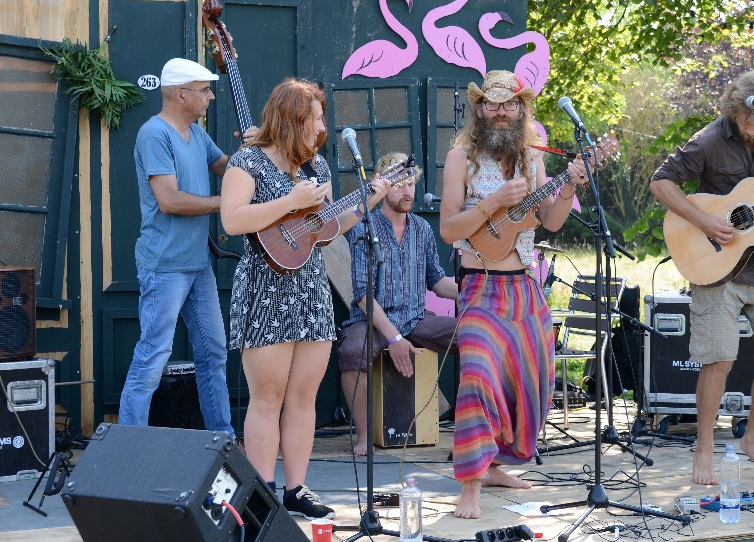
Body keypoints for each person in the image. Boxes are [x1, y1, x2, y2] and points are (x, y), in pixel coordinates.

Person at [220, 78, 390, 519]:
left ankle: (296, 488)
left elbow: (324, 229)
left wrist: (368, 202)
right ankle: (261, 494)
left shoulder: (318, 170)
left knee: (302, 396)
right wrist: (289, 201)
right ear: (293, 118)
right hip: (265, 288)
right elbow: (233, 220)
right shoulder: (247, 162)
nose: (321, 125)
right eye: (315, 116)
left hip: (310, 289)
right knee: (267, 396)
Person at [649, 70, 754, 486]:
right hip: (717, 270)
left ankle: (753, 440)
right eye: (747, 122)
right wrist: (705, 220)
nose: (753, 130)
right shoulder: (708, 140)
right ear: (733, 110)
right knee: (719, 360)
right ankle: (703, 447)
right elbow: (661, 182)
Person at [439, 70, 592, 519]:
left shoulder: (531, 159)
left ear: (521, 109)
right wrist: (493, 202)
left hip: (525, 288)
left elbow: (551, 220)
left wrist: (568, 187)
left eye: (509, 105)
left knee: (531, 379)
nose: (501, 112)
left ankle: (496, 464)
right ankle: (469, 481)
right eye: (492, 104)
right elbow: (449, 227)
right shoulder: (460, 159)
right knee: (478, 376)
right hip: (481, 285)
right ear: (480, 109)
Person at [119, 58, 242, 436]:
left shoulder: (197, 134)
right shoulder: (154, 134)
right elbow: (170, 201)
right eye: (204, 90)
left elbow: (230, 167)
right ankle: (129, 445)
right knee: (154, 355)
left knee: (214, 353)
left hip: (196, 264)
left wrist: (258, 152)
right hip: (165, 265)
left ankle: (222, 441)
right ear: (180, 93)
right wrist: (227, 203)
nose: (211, 97)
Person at [337, 151, 460, 456]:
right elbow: (363, 296)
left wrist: (476, 290)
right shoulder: (364, 227)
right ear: (381, 187)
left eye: (410, 183)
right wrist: (394, 337)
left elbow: (438, 282)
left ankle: (478, 431)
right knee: (352, 351)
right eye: (398, 184)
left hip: (417, 318)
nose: (407, 191)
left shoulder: (422, 228)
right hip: (373, 321)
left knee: (477, 336)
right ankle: (365, 436)